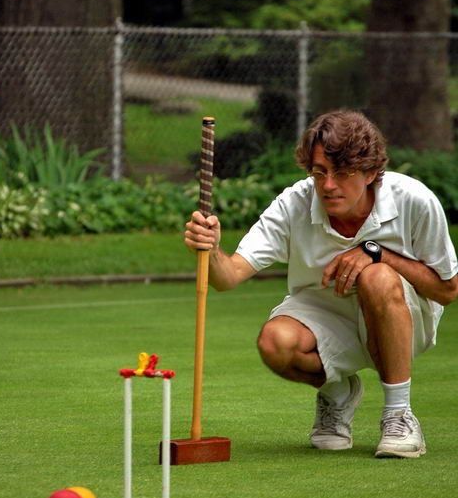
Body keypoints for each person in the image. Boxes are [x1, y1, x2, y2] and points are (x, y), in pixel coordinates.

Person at [184, 109, 458, 458]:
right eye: (320, 172)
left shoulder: (414, 201)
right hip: (324, 318)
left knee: (374, 275)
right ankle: (337, 391)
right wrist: (212, 249)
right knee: (275, 343)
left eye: (343, 173)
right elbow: (229, 276)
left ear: (372, 173)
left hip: (404, 319)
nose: (328, 185)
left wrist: (378, 255)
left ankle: (399, 415)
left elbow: (448, 291)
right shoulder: (294, 203)